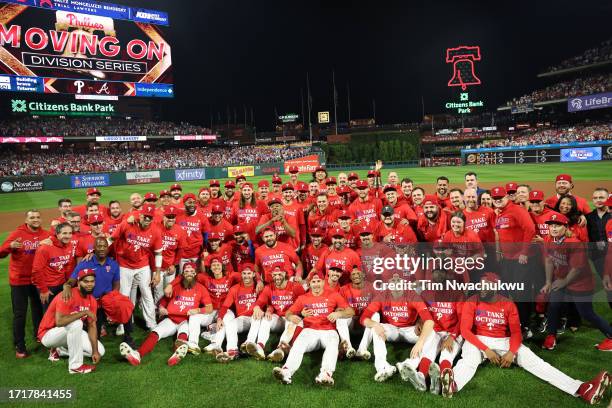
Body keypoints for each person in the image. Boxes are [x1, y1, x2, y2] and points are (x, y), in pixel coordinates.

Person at [442, 273, 610, 405]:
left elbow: (516, 333)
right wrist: (486, 350)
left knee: (536, 362)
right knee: (468, 360)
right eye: (481, 285)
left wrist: (511, 352)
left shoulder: (508, 304)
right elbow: (465, 330)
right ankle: (452, 384)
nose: (482, 289)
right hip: (478, 339)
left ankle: (582, 389)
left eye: (487, 286)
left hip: (504, 340)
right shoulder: (473, 300)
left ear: (496, 287)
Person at [540, 213, 611, 351]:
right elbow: (549, 260)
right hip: (560, 280)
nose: (553, 228)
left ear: (565, 227)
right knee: (553, 306)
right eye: (551, 225)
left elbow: (577, 268)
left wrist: (563, 281)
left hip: (580, 283)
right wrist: (549, 281)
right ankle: (551, 336)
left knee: (586, 313)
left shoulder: (574, 243)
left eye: (558, 225)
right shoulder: (548, 239)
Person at [119, 262, 212, 366]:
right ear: (182, 274)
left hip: (186, 320)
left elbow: (209, 308)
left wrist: (198, 310)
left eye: (191, 271)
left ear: (195, 274)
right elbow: (164, 301)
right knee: (155, 333)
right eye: (186, 271)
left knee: (182, 335)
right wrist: (161, 308)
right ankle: (138, 354)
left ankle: (176, 355)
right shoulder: (176, 286)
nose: (189, 273)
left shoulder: (201, 288)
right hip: (171, 319)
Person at [272, 272, 354, 385]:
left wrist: (338, 314)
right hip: (310, 330)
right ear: (309, 283)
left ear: (323, 282)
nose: (316, 284)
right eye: (313, 282)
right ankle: (286, 372)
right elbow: (288, 313)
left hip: (328, 330)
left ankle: (325, 374)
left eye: (318, 281)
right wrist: (293, 316)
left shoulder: (333, 295)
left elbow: (351, 311)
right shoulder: (303, 298)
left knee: (332, 345)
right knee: (298, 344)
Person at [361, 276, 435, 383]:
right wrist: (375, 325)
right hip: (391, 330)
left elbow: (429, 321)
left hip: (410, 329)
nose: (396, 283)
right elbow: (364, 318)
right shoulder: (382, 296)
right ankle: (383, 367)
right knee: (375, 328)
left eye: (399, 280)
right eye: (393, 281)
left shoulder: (412, 295)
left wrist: (420, 342)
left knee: (431, 333)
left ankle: (408, 365)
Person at [63, 237, 135, 346]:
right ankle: (94, 337)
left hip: (107, 299)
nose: (102, 249)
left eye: (104, 246)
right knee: (95, 338)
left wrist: (113, 300)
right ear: (94, 248)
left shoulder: (113, 264)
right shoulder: (85, 263)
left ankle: (128, 338)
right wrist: (67, 286)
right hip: (92, 302)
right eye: (99, 246)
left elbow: (116, 284)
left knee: (126, 304)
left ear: (108, 248)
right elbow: (71, 281)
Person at [0, 209, 51, 358]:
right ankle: (20, 346)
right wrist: (10, 246)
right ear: (26, 220)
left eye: (37, 217)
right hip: (19, 280)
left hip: (37, 280)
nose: (35, 219)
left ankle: (39, 335)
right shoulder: (18, 234)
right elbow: (1, 253)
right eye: (32, 217)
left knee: (38, 310)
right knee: (20, 313)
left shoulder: (46, 234)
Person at [38, 269, 104, 374]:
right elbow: (59, 322)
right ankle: (75, 366)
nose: (90, 284)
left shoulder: (92, 300)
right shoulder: (67, 294)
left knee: (101, 351)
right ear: (78, 283)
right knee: (77, 323)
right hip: (48, 334)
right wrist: (84, 312)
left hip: (70, 331)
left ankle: (60, 350)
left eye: (92, 281)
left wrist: (95, 351)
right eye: (86, 281)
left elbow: (92, 326)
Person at [109, 204, 162, 330]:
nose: (147, 219)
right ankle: (123, 324)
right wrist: (93, 253)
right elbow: (111, 239)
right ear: (140, 215)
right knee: (124, 295)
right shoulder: (127, 224)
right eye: (145, 216)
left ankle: (151, 324)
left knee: (147, 294)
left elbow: (158, 252)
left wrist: (157, 273)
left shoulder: (155, 231)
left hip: (142, 265)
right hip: (124, 265)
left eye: (150, 217)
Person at [491, 186, 535, 335]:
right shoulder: (500, 213)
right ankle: (518, 322)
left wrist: (524, 252)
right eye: (495, 199)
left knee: (521, 293)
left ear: (507, 198)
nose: (497, 201)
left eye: (500, 198)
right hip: (507, 260)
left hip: (519, 260)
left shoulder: (517, 210)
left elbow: (530, 229)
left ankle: (525, 326)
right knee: (512, 292)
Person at [247, 267, 305, 361]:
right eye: (274, 275)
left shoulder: (296, 287)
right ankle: (260, 347)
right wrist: (257, 308)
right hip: (278, 317)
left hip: (291, 317)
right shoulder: (269, 287)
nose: (277, 277)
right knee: (266, 319)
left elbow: (305, 302)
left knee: (291, 323)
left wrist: (300, 314)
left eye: (279, 274)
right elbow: (259, 302)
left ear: (285, 274)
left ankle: (280, 349)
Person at [214, 263, 258, 362]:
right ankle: (232, 350)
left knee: (256, 317)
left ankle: (248, 344)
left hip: (256, 317)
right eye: (244, 273)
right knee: (230, 324)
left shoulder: (258, 287)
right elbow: (225, 306)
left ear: (254, 274)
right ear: (241, 274)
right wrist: (220, 318)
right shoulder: (235, 288)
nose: (246, 276)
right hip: (243, 318)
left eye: (249, 273)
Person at [32, 222, 75, 313]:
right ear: (57, 234)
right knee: (49, 314)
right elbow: (37, 271)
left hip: (62, 284)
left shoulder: (70, 245)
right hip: (48, 287)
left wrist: (68, 284)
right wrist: (43, 290)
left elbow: (68, 266)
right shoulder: (45, 248)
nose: (68, 236)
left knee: (63, 312)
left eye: (70, 233)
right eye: (64, 233)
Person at [336, 268, 374, 360]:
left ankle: (362, 349)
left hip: (365, 324)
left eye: (358, 273)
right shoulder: (343, 289)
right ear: (350, 277)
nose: (356, 275)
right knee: (340, 316)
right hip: (351, 324)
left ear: (363, 275)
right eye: (353, 274)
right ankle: (348, 348)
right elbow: (339, 308)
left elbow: (376, 306)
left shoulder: (371, 287)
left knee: (375, 315)